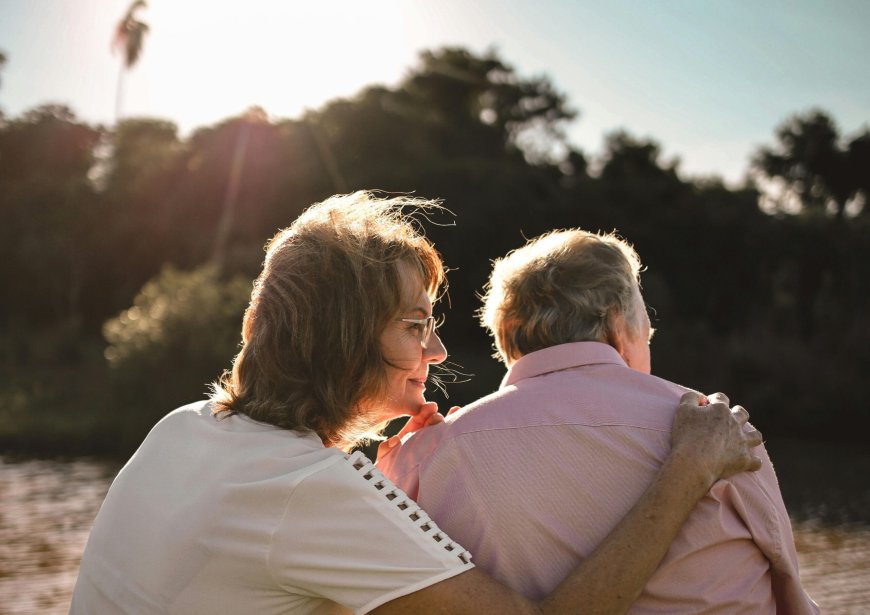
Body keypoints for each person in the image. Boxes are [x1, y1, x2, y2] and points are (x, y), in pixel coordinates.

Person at [72, 193, 763, 615]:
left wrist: (383, 472)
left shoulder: (185, 428)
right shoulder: (311, 489)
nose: (436, 353)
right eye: (415, 326)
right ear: (341, 343)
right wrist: (686, 471)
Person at [378, 228, 819, 614]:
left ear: (507, 337)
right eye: (646, 332)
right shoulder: (720, 430)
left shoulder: (428, 455)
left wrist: (408, 463)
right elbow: (790, 593)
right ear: (615, 325)